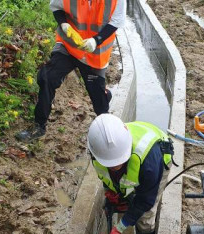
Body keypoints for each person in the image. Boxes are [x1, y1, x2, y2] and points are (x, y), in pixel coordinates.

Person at [16, 0, 125, 142]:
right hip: (69, 46)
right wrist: (63, 23)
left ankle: (105, 132)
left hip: (94, 53)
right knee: (47, 77)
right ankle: (39, 126)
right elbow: (56, 7)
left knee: (99, 102)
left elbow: (117, 20)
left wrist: (96, 40)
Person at [87, 114, 176, 234]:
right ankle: (128, 203)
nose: (114, 166)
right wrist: (112, 191)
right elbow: (105, 175)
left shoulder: (149, 163)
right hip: (137, 155)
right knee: (126, 196)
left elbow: (146, 200)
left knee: (146, 218)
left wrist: (121, 227)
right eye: (110, 163)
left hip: (160, 155)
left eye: (118, 162)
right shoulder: (99, 149)